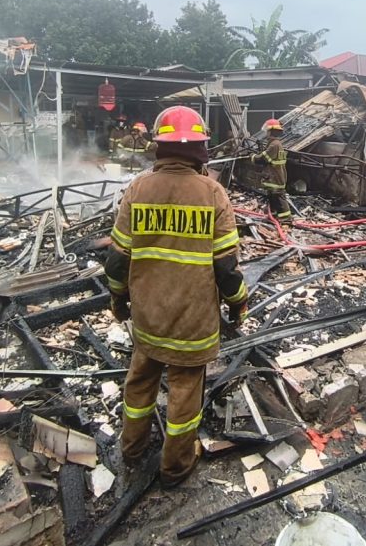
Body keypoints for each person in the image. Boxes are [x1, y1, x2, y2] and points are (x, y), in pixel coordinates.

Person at [104, 105, 248, 487]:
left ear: (158, 147)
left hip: (149, 318)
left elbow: (117, 260)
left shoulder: (138, 189)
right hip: (192, 322)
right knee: (185, 395)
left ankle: (132, 448)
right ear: (201, 149)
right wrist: (239, 304)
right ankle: (176, 467)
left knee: (139, 382)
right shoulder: (213, 194)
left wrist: (118, 301)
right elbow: (227, 268)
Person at [250, 117, 290, 223]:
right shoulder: (274, 143)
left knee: (278, 196)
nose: (266, 133)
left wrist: (253, 157)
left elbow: (264, 159)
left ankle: (286, 219)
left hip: (275, 177)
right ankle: (274, 216)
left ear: (271, 131)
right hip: (274, 176)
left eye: (267, 131)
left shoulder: (274, 145)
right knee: (272, 196)